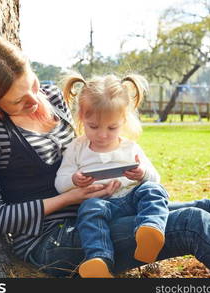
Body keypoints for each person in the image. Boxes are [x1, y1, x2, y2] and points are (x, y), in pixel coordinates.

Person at [0, 35, 210, 278]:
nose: (37, 101)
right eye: (20, 102)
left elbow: (90, 141)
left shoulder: (51, 94)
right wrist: (72, 196)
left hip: (102, 210)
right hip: (54, 238)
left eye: (33, 86)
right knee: (191, 224)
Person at [54, 74, 169, 277]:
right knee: (88, 210)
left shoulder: (130, 147)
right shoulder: (77, 147)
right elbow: (59, 184)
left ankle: (150, 232)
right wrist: (74, 180)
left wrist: (141, 174)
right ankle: (99, 261)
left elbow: (155, 179)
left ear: (123, 120)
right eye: (93, 126)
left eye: (112, 127)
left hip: (132, 201)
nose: (102, 134)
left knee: (152, 190)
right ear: (81, 117)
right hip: (101, 204)